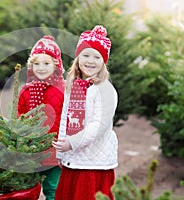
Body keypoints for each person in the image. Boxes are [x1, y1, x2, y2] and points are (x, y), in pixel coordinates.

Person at [52, 25, 118, 200]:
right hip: (73, 159)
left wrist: (71, 143)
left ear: (104, 62)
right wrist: (61, 152)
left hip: (93, 164)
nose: (91, 60)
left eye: (97, 57)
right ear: (78, 58)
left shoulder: (105, 90)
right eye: (86, 55)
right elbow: (65, 118)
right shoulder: (73, 86)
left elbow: (99, 126)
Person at [17, 35, 65, 200]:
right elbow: (21, 118)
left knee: (53, 190)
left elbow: (68, 120)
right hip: (32, 153)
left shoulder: (63, 89)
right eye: (36, 64)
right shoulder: (27, 90)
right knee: (28, 192)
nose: (41, 68)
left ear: (56, 65)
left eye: (46, 63)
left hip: (54, 153)